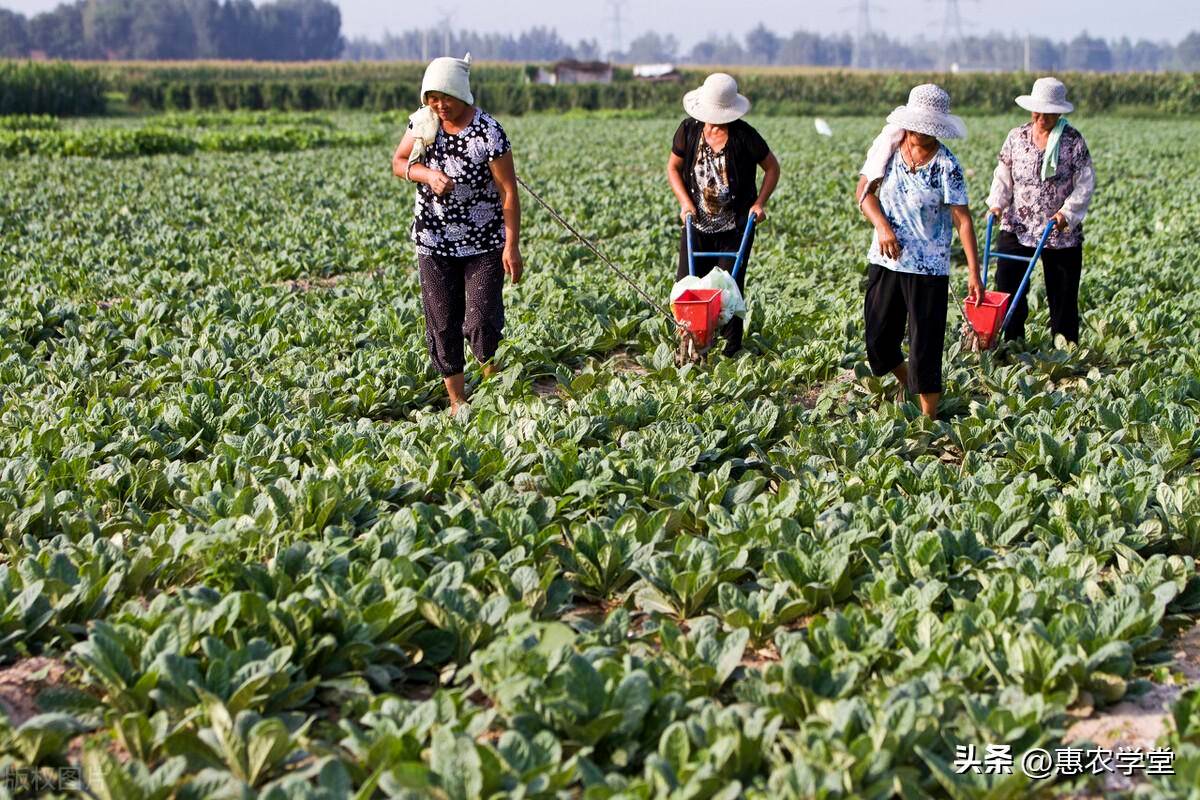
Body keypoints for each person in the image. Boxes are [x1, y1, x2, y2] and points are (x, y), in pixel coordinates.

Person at [392, 53, 523, 415]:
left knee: (480, 317)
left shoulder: (489, 132)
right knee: (442, 318)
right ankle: (457, 401)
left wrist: (511, 245)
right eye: (432, 98)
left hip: (483, 242)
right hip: (433, 240)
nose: (439, 105)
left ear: (462, 93)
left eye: (444, 97)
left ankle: (491, 374)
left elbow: (508, 191)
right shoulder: (423, 123)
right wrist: (426, 175)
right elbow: (399, 162)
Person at [855, 84, 983, 419]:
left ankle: (928, 421)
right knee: (878, 341)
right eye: (916, 125)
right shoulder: (890, 150)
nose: (918, 133)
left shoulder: (947, 166)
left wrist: (974, 272)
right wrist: (882, 227)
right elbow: (864, 194)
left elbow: (962, 220)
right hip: (886, 261)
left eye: (927, 128)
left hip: (929, 269)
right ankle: (909, 380)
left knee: (925, 346)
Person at [667, 73, 780, 356]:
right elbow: (673, 168)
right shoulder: (689, 131)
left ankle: (729, 352)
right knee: (687, 288)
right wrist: (685, 203)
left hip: (734, 227)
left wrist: (759, 203)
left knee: (728, 289)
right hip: (697, 224)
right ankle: (690, 345)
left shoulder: (745, 136)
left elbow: (772, 168)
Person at [986, 77, 1095, 344]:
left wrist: (1066, 214)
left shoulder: (1072, 141)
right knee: (1008, 289)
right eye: (1036, 110)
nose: (1040, 116)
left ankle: (1066, 350)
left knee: (1063, 297)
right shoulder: (1017, 137)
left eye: (1046, 112)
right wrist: (996, 204)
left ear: (1058, 112)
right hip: (1017, 225)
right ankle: (1011, 344)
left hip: (1058, 232)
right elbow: (1003, 175)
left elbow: (1085, 183)